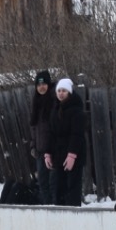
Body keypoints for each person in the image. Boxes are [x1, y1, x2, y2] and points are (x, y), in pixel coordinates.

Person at [44, 78, 85, 206]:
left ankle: (74, 213)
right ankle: (60, 213)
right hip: (58, 153)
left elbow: (77, 135)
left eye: (64, 91)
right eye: (59, 91)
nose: (61, 93)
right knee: (58, 186)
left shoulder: (77, 111)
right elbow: (51, 133)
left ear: (69, 93)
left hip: (74, 153)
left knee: (73, 186)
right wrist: (47, 153)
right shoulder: (55, 110)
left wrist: (72, 154)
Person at [29, 71, 57, 205]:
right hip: (40, 151)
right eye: (38, 84)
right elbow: (34, 127)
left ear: (49, 84)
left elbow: (55, 128)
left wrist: (51, 149)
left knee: (53, 183)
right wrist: (33, 146)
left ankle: (56, 209)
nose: (41, 87)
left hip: (52, 150)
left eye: (44, 84)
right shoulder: (36, 102)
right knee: (42, 182)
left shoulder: (53, 101)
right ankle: (47, 209)